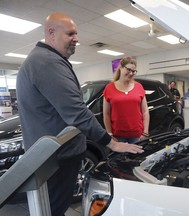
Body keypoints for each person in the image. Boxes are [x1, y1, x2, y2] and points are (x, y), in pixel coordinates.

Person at [16, 13, 143, 216]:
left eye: (76, 33)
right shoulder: (47, 63)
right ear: (51, 33)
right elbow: (77, 112)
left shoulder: (47, 60)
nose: (76, 38)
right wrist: (111, 142)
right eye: (70, 34)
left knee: (54, 207)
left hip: (54, 156)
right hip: (55, 158)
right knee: (54, 208)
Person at [103, 57, 150, 143]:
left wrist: (145, 133)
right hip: (117, 137)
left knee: (137, 156)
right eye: (128, 69)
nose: (131, 73)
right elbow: (106, 114)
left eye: (134, 71)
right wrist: (109, 134)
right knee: (119, 157)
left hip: (137, 136)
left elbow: (145, 111)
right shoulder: (109, 88)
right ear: (121, 67)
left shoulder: (139, 87)